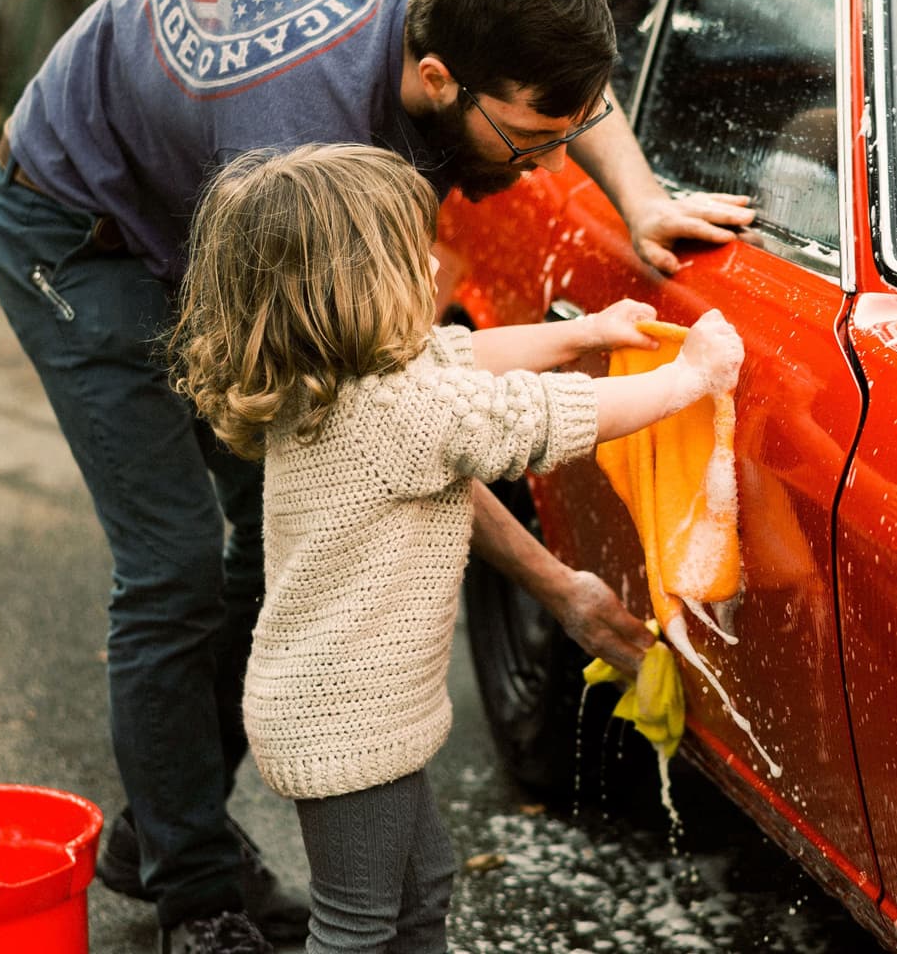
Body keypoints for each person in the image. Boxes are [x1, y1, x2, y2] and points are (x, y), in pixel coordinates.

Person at [0, 0, 752, 954]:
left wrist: (641, 200)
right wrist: (559, 587)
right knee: (175, 569)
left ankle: (163, 825)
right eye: (529, 140)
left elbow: (422, 380)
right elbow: (408, 434)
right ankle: (194, 891)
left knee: (268, 543)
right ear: (437, 79)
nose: (542, 164)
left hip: (217, 198)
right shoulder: (295, 146)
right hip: (80, 228)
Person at [171, 141, 743, 954]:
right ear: (355, 289)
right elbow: (541, 418)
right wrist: (685, 382)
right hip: (346, 726)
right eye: (414, 258)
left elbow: (467, 356)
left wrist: (591, 334)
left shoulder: (329, 383)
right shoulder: (394, 414)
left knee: (421, 891)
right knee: (356, 924)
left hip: (348, 712)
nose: (434, 270)